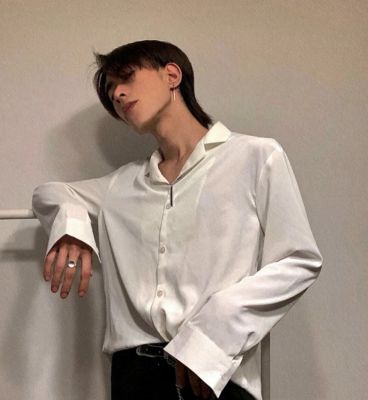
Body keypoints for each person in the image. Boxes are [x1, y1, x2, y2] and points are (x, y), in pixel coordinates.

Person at [32, 40, 323, 400]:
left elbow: (299, 259)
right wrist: (73, 227)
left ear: (172, 75)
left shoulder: (255, 157)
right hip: (134, 379)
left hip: (214, 373)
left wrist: (213, 331)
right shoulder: (122, 184)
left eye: (126, 78)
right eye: (110, 91)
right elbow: (49, 193)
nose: (117, 94)